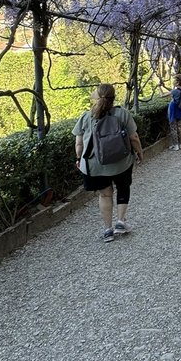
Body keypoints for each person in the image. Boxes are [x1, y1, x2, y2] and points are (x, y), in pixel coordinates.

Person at [73, 83, 143, 243]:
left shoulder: (86, 116)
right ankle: (120, 222)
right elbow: (134, 138)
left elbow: (79, 144)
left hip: (95, 165)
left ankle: (107, 230)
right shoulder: (122, 114)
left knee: (105, 194)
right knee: (123, 188)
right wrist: (139, 152)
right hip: (121, 161)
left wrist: (79, 158)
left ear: (97, 97)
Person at [168, 75, 181, 151]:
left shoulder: (174, 91)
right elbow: (172, 91)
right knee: (179, 127)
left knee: (173, 128)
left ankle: (175, 145)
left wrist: (159, 87)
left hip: (173, 111)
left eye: (174, 80)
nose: (173, 81)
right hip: (180, 111)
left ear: (177, 82)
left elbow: (162, 95)